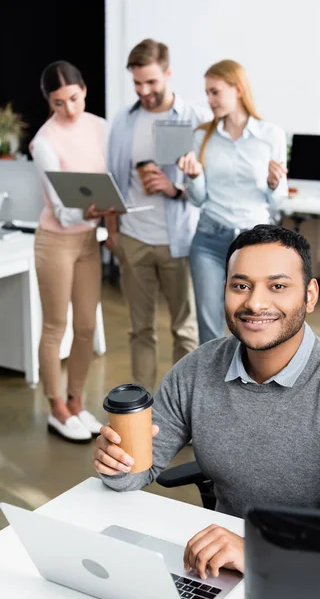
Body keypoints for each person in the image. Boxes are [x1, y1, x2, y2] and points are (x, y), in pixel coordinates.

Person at [94, 224, 320, 578]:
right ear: (224, 289)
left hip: (313, 574)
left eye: (278, 286)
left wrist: (261, 552)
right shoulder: (197, 370)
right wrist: (115, 463)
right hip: (219, 567)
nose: (255, 302)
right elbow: (138, 471)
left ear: (310, 295)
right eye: (241, 286)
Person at [105, 39, 209, 391]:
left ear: (168, 73)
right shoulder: (123, 121)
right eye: (137, 83)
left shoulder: (195, 120)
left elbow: (208, 188)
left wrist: (173, 187)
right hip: (133, 238)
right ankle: (143, 409)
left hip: (179, 240)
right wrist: (113, 233)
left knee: (185, 329)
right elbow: (113, 178)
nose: (144, 91)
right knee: (140, 329)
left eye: (151, 82)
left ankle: (183, 407)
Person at [178, 60, 288, 345]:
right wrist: (194, 177)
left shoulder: (270, 135)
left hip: (254, 243)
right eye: (207, 93)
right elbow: (198, 199)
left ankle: (249, 385)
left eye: (215, 92)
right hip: (209, 240)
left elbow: (277, 203)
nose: (209, 100)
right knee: (209, 325)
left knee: (254, 321)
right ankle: (210, 389)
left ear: (238, 89)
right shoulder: (202, 136)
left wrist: (274, 184)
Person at [31, 61, 108, 442]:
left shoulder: (100, 127)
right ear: (50, 101)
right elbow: (61, 210)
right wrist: (90, 209)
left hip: (87, 241)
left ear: (84, 90)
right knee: (55, 327)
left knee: (87, 326)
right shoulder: (44, 142)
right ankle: (57, 408)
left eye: (74, 99)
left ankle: (77, 402)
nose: (70, 109)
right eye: (59, 103)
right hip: (56, 241)